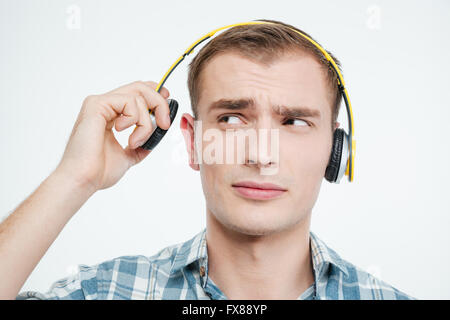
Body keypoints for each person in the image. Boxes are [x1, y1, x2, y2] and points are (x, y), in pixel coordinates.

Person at [0, 20, 414, 300]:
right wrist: (73, 179)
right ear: (193, 143)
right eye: (232, 118)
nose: (260, 154)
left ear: (335, 151)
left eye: (294, 121)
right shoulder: (107, 292)